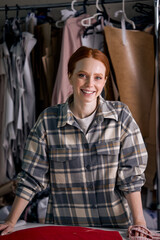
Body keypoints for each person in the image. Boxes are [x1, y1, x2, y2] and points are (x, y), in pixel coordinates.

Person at [0, 46, 148, 237]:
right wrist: (11, 220)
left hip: (114, 227)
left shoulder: (121, 116)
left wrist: (140, 223)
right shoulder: (48, 121)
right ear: (69, 76)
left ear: (104, 81)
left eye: (97, 77)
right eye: (82, 75)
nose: (89, 84)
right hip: (65, 230)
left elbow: (132, 176)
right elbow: (31, 177)